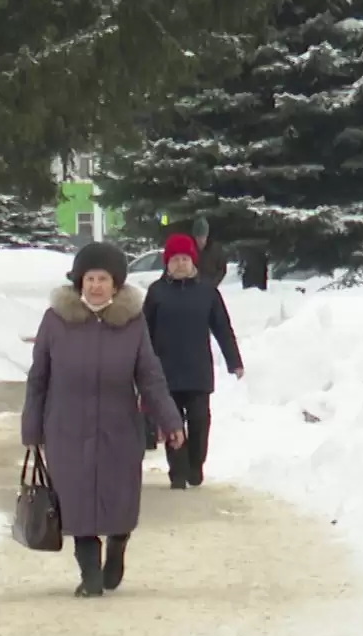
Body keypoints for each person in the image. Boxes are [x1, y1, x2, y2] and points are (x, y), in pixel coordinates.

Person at [22, 241, 185, 598]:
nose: (96, 286)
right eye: (90, 278)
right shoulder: (56, 321)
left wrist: (170, 421)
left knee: (119, 497)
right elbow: (39, 378)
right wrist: (32, 427)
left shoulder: (131, 322)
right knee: (75, 499)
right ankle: (89, 574)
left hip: (119, 428)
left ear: (117, 284)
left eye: (103, 279)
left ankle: (117, 548)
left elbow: (150, 376)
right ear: (79, 282)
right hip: (66, 427)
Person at [146, 232, 244, 490]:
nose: (180, 264)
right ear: (167, 263)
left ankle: (195, 464)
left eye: (185, 259)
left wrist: (234, 361)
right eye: (175, 259)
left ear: (193, 262)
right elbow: (144, 332)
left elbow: (222, 327)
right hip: (165, 371)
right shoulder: (157, 292)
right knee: (171, 423)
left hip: (198, 371)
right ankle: (177, 471)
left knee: (200, 421)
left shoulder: (207, 292)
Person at [193, 216, 230, 289]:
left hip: (210, 288)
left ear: (207, 235)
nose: (200, 240)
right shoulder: (189, 249)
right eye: (198, 237)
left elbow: (222, 269)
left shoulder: (216, 249)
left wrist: (213, 284)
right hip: (193, 289)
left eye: (202, 237)